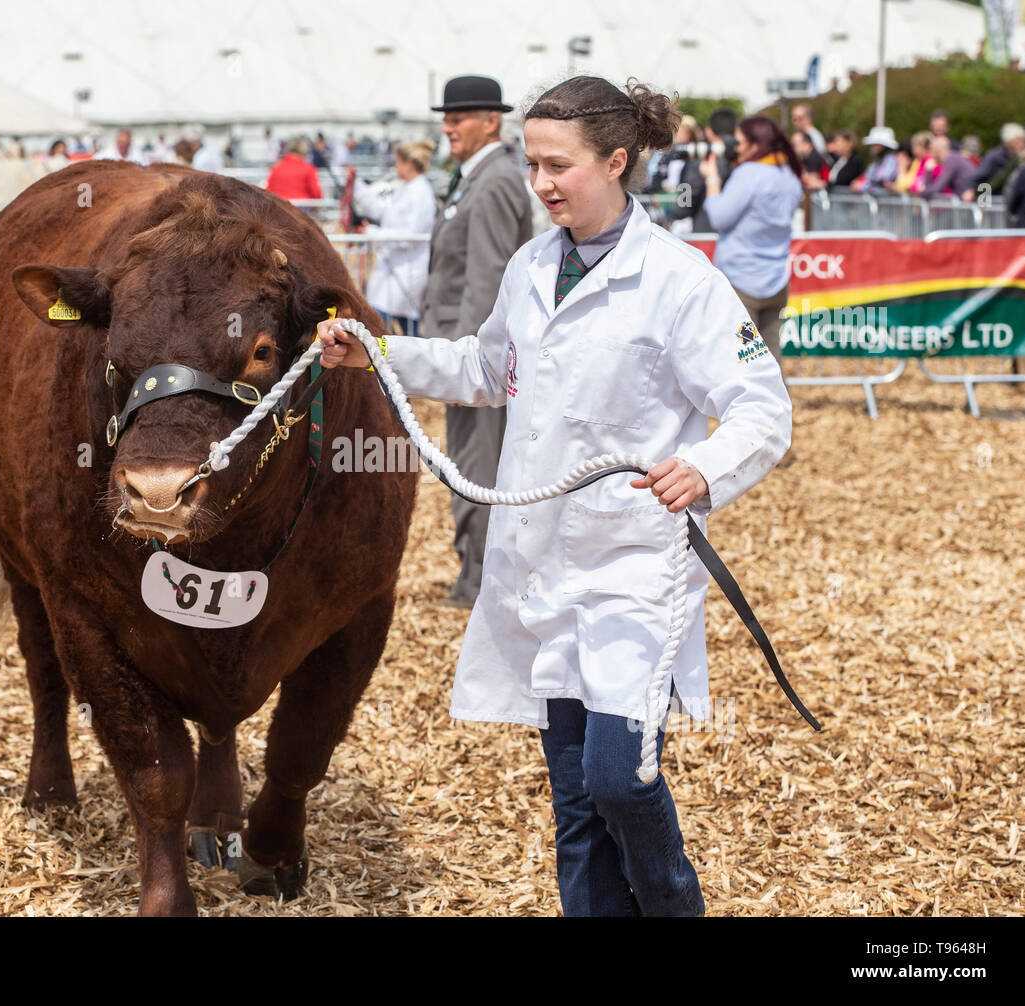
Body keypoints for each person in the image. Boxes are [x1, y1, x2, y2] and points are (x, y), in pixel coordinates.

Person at [316, 73, 792, 918]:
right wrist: (381, 351)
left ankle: (675, 905)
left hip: (631, 564)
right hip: (540, 559)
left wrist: (707, 467)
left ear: (616, 160)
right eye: (533, 163)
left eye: (557, 166)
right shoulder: (534, 265)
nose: (540, 183)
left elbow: (762, 408)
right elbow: (487, 370)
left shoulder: (680, 280)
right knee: (573, 799)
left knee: (620, 777)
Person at [422, 74, 533, 608]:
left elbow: (486, 282)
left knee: (477, 466)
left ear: (491, 120)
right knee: (471, 462)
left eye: (459, 116)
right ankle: (477, 575)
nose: (449, 124)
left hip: (476, 356)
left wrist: (466, 363)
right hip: (464, 350)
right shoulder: (474, 177)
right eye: (446, 115)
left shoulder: (493, 181)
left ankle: (480, 582)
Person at [700, 115, 803, 362]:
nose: (735, 148)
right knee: (770, 362)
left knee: (743, 362)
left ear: (755, 144)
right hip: (776, 281)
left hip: (741, 282)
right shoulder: (789, 175)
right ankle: (779, 403)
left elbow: (719, 217)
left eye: (739, 142)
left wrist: (712, 179)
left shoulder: (749, 174)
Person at [351, 139, 438, 338]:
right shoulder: (408, 188)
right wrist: (356, 186)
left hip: (407, 269)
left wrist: (372, 233)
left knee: (392, 323)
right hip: (396, 268)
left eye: (398, 162)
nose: (395, 167)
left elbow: (408, 236)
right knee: (394, 321)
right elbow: (383, 209)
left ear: (408, 163)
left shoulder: (420, 193)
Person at [968, 123, 1025, 199]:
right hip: (992, 201)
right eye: (1018, 140)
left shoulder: (1021, 156)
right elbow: (979, 178)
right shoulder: (994, 156)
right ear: (1008, 142)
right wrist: (975, 193)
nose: (1021, 144)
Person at [851, 126, 899, 193]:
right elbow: (868, 178)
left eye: (875, 144)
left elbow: (881, 181)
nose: (872, 147)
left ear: (883, 146)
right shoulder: (876, 162)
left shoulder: (891, 160)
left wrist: (861, 187)